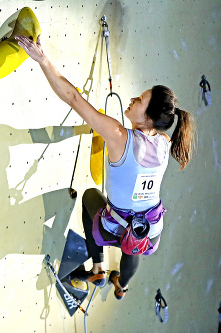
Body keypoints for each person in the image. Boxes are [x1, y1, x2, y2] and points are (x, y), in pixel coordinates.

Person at [16, 34, 194, 300]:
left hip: (114, 226)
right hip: (151, 231)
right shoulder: (165, 142)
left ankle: (98, 267)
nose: (132, 99)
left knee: (90, 196)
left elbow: (74, 99)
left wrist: (43, 60)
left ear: (147, 117)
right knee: (133, 247)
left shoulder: (118, 135)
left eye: (140, 100)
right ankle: (121, 285)